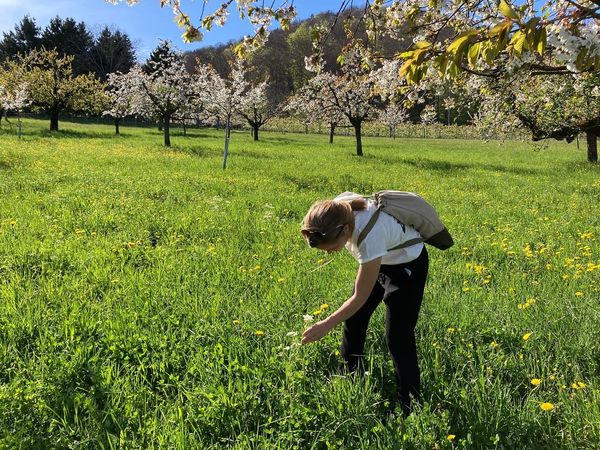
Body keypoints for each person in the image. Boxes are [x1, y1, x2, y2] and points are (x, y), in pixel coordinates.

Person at [300, 191, 429, 416]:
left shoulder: (370, 237)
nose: (330, 252)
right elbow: (358, 303)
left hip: (407, 266)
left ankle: (410, 405)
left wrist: (326, 324)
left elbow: (359, 297)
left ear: (346, 230)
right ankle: (347, 378)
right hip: (381, 258)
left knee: (398, 338)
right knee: (354, 319)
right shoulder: (336, 210)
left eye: (331, 247)